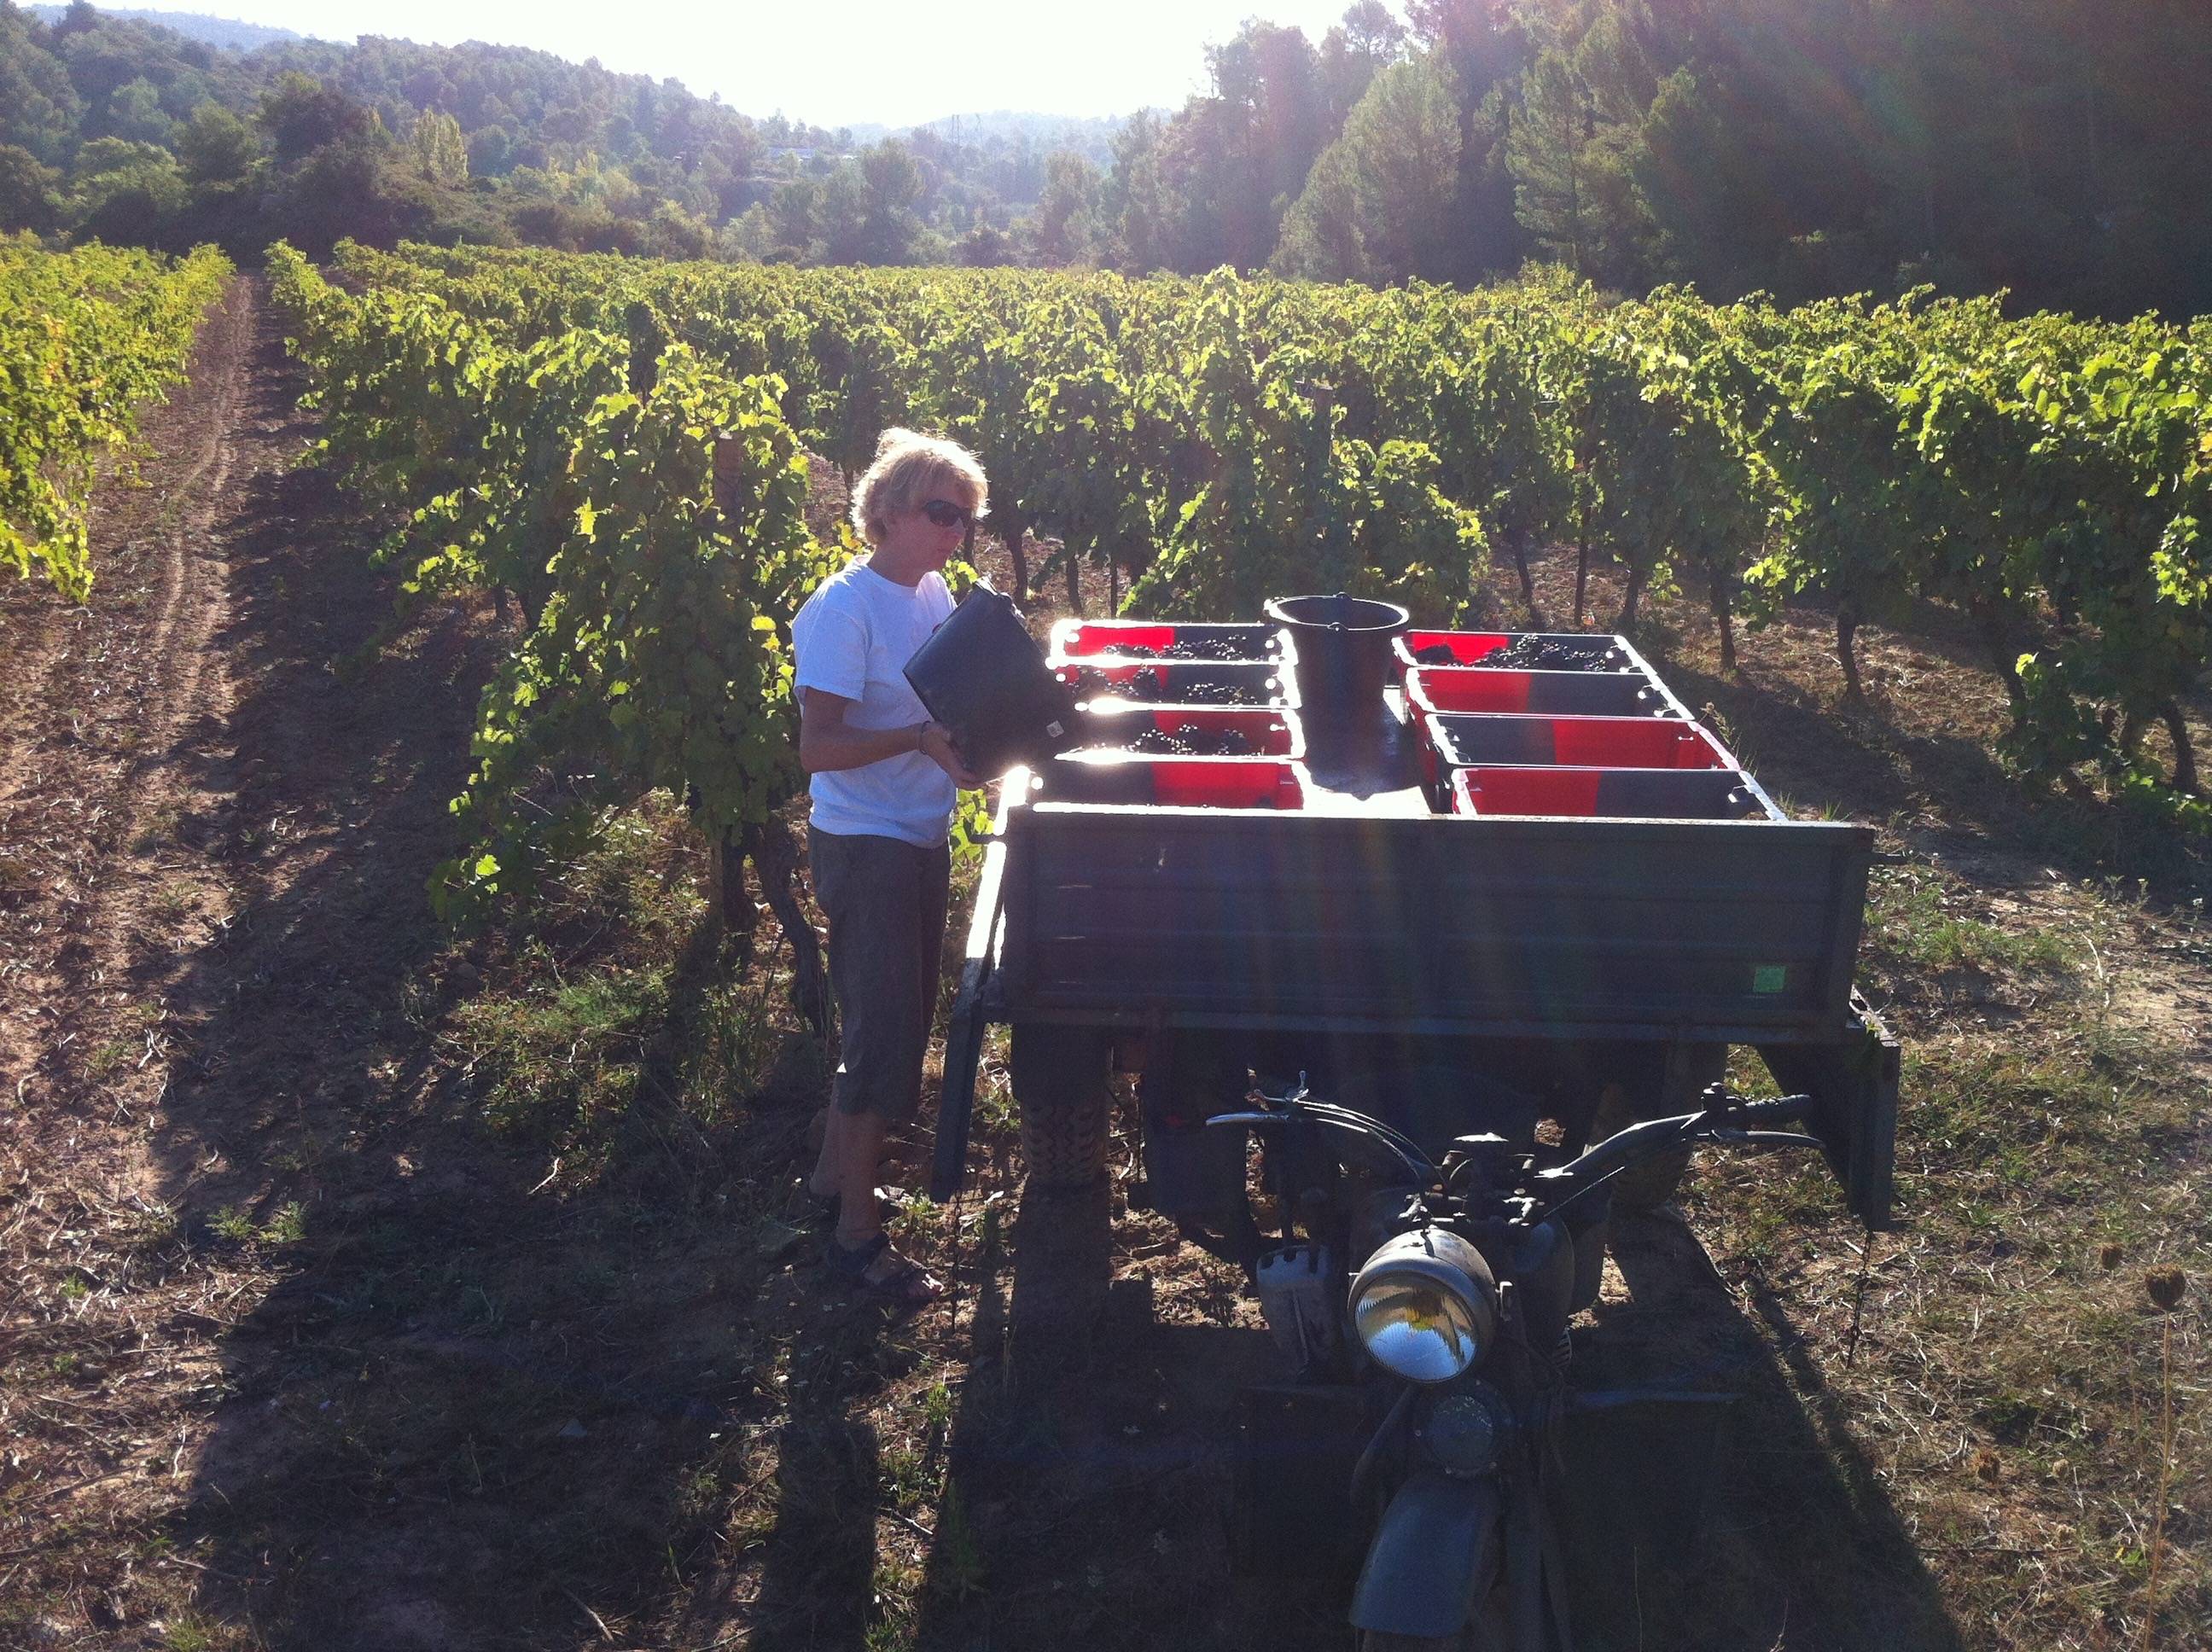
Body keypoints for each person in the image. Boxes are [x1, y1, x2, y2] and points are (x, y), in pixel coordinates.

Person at [792, 428, 985, 1306]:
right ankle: (857, 1239)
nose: (957, 532)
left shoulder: (932, 590)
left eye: (968, 517)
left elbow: (954, 697)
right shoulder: (846, 609)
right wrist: (915, 739)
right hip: (866, 843)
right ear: (889, 510)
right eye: (942, 512)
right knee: (883, 1034)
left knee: (891, 1021)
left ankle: (834, 1182)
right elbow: (816, 747)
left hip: (919, 832)